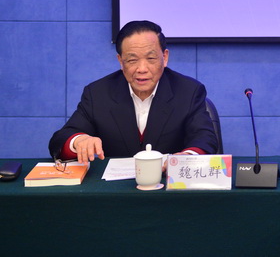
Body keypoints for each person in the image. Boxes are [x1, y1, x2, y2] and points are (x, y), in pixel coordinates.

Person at [49, 20, 218, 164]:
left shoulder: (188, 91)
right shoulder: (98, 93)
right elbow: (61, 139)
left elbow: (205, 138)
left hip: (168, 183)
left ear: (165, 57)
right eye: (132, 60)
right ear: (120, 61)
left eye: (151, 58)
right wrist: (79, 141)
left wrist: (185, 158)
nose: (142, 69)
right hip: (114, 188)